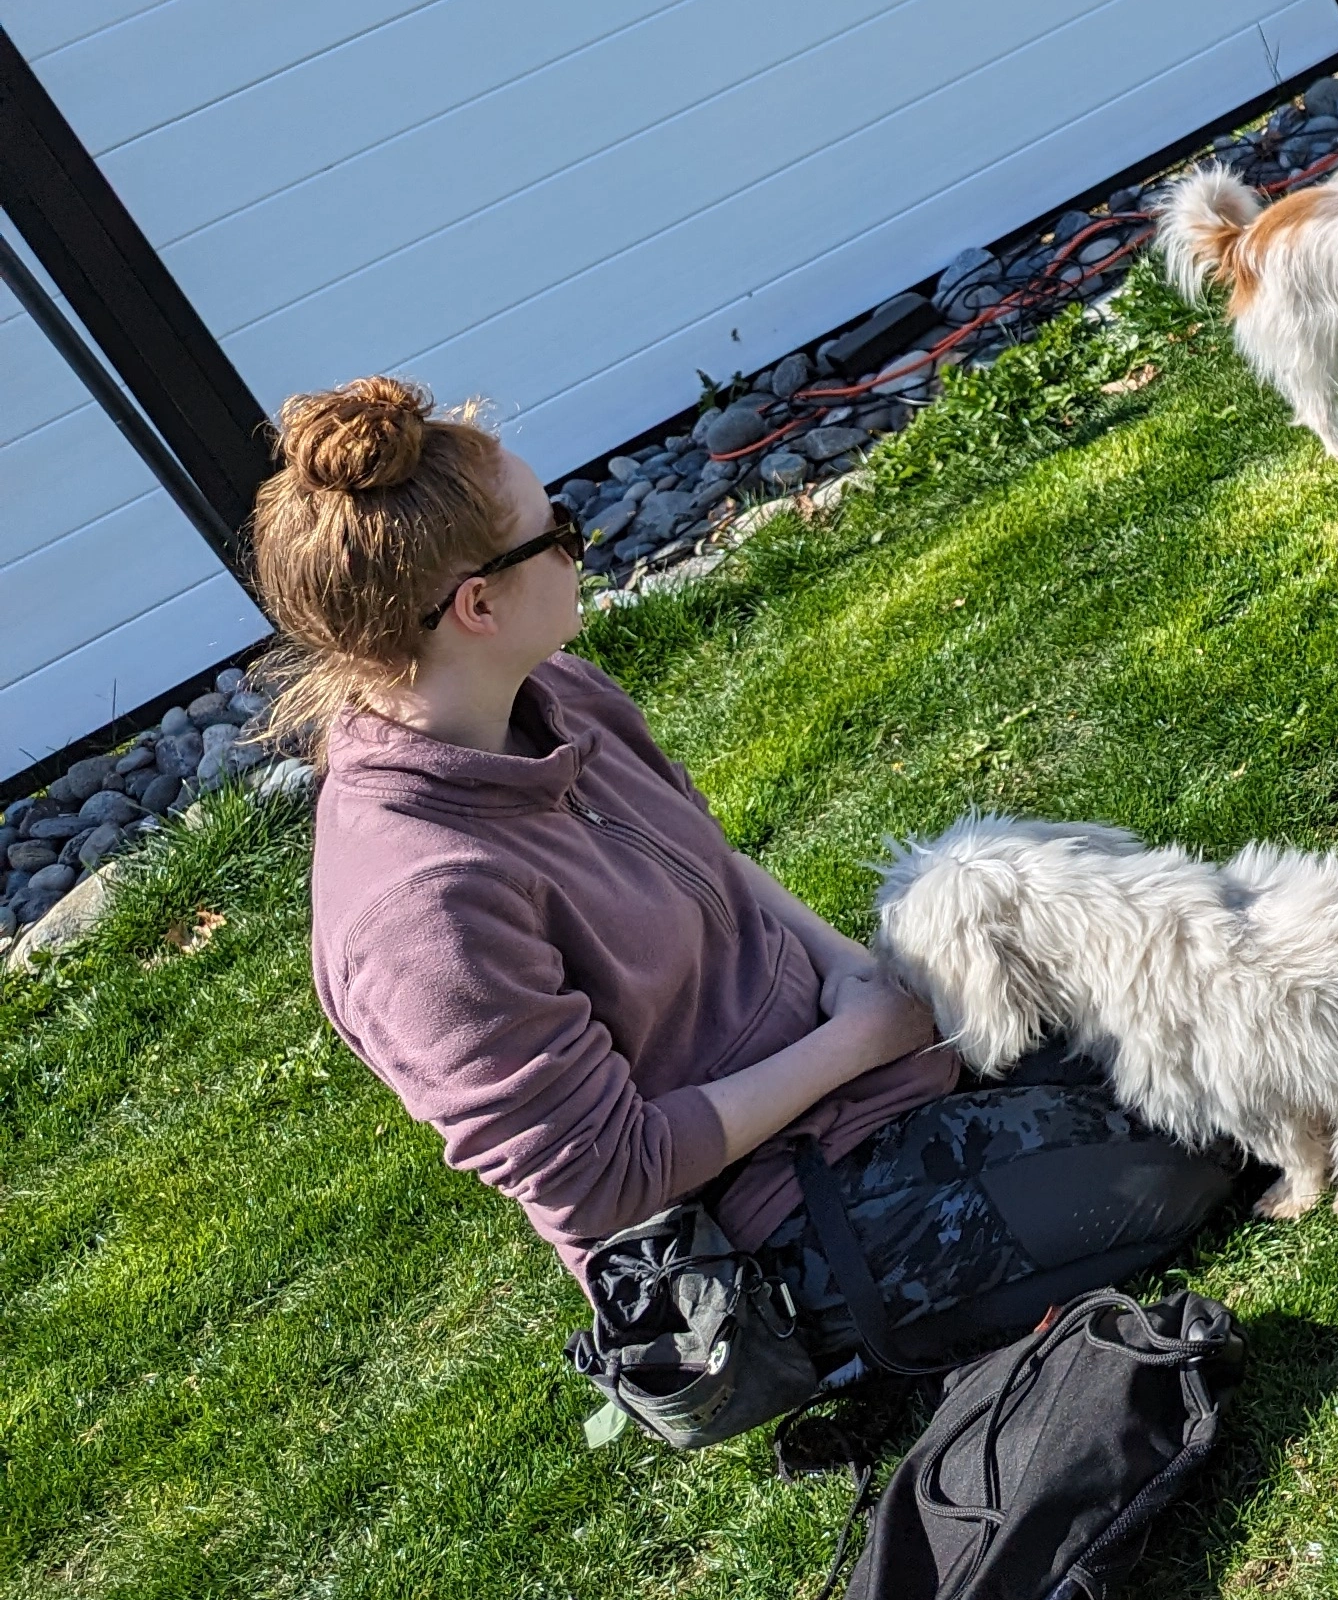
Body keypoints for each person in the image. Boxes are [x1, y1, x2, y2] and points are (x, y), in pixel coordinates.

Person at [262, 376, 958, 1274]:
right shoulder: (423, 913)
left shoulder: (555, 695)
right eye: (556, 536)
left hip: (867, 1074)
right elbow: (606, 1177)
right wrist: (861, 1038)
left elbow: (711, 855)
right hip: (774, 1231)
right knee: (1168, 1151)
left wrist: (862, 976)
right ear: (478, 606)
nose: (574, 552)